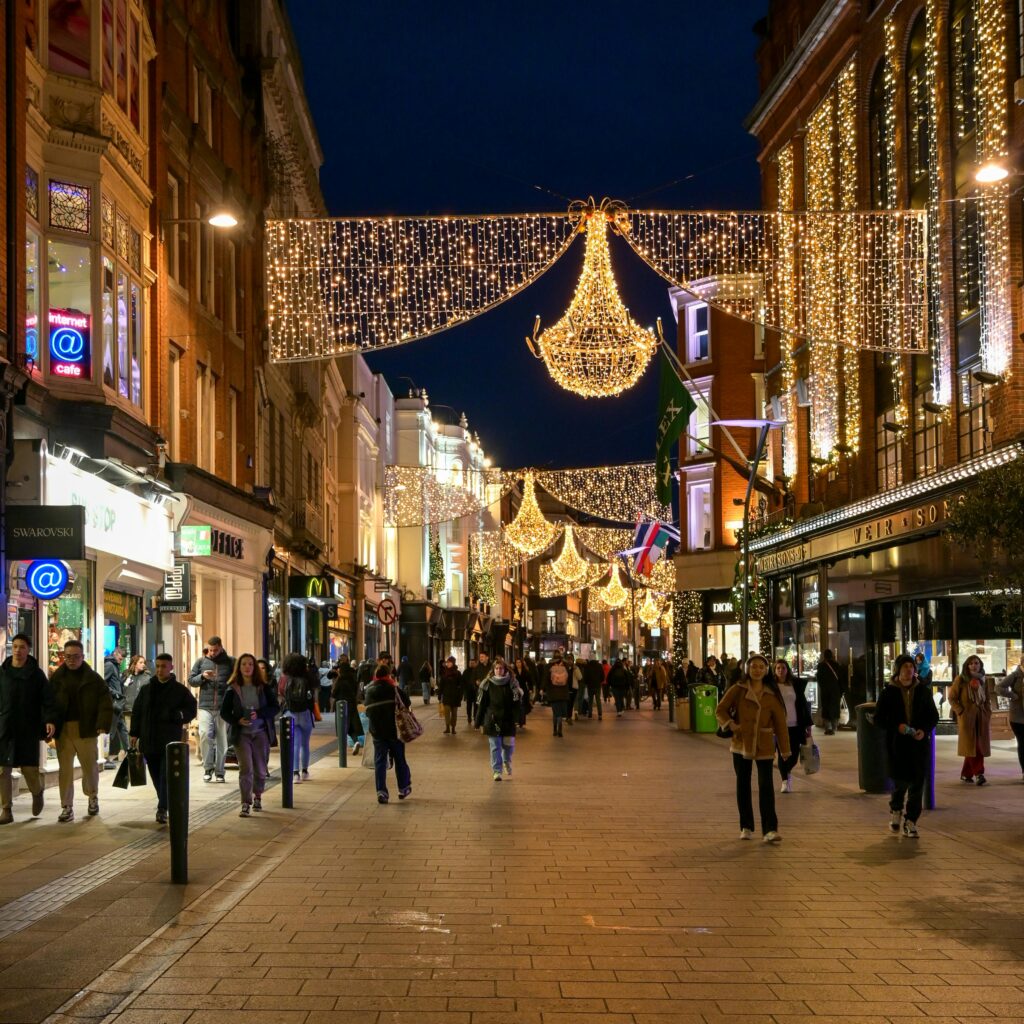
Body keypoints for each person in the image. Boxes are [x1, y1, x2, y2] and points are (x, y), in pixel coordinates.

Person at [716, 653, 790, 843]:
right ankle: (746, 826)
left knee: (766, 786)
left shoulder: (772, 694)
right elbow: (721, 709)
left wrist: (785, 749)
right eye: (754, 666)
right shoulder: (738, 689)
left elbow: (781, 724)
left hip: (764, 744)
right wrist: (731, 725)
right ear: (747, 669)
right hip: (742, 744)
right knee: (743, 785)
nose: (757, 670)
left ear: (766, 670)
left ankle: (770, 829)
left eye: (761, 667)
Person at [874, 654, 938, 838]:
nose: (909, 670)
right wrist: (897, 727)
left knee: (917, 784)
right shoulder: (888, 692)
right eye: (905, 667)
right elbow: (879, 719)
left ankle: (911, 821)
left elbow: (933, 716)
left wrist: (924, 731)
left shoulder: (923, 692)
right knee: (900, 783)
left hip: (918, 746)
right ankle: (896, 810)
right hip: (897, 745)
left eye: (911, 667)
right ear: (898, 670)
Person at [129, 653, 197, 825]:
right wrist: (134, 733)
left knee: (166, 775)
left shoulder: (179, 690)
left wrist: (178, 715)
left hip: (169, 741)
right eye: (158, 666)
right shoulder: (147, 689)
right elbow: (137, 712)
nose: (160, 670)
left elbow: (191, 710)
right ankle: (164, 803)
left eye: (164, 666)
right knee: (155, 775)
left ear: (171, 668)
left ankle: (162, 807)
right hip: (149, 740)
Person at [50, 640, 113, 822]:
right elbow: (48, 703)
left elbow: (105, 701)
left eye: (75, 656)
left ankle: (92, 797)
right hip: (63, 729)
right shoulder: (57, 678)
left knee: (90, 767)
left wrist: (102, 723)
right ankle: (66, 806)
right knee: (65, 770)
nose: (71, 660)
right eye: (68, 656)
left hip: (86, 727)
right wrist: (48, 724)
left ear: (83, 657)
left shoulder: (92, 678)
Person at [0, 633, 58, 823]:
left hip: (28, 728)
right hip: (5, 728)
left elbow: (47, 699)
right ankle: (6, 810)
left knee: (29, 769)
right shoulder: (3, 672)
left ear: (28, 650)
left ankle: (37, 791)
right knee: (3, 770)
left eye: (22, 647)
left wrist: (49, 719)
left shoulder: (36, 674)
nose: (18, 650)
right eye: (15, 646)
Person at [220, 654, 279, 816]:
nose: (247, 667)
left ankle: (258, 795)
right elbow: (224, 712)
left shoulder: (263, 687)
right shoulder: (232, 688)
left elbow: (275, 707)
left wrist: (259, 714)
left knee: (260, 770)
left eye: (250, 664)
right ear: (239, 668)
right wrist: (237, 720)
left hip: (260, 733)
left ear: (254, 668)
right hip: (242, 735)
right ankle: (245, 802)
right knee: (246, 769)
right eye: (244, 664)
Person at [363, 665, 412, 803]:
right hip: (394, 731)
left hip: (377, 732)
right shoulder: (394, 689)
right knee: (399, 759)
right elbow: (407, 703)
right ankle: (403, 788)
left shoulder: (370, 690)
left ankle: (381, 792)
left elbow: (367, 711)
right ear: (388, 675)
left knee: (380, 761)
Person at [188, 636, 234, 783]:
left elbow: (236, 680)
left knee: (222, 740)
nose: (212, 653)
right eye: (210, 650)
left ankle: (220, 771)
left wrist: (229, 690)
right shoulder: (201, 662)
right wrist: (202, 676)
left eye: (215, 650)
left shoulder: (230, 662)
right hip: (205, 706)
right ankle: (208, 768)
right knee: (205, 735)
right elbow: (191, 680)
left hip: (223, 706)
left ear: (221, 647)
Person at [475, 656, 522, 780]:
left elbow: (517, 703)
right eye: (496, 668)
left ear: (505, 670)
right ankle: (497, 771)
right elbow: (482, 704)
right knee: (495, 746)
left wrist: (518, 719)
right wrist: (478, 721)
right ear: (493, 670)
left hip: (508, 720)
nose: (498, 670)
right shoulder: (487, 684)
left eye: (501, 668)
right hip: (492, 719)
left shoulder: (512, 684)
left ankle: (506, 761)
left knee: (508, 746)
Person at [948, 655, 992, 786]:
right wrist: (961, 711)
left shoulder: (984, 680)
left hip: (981, 717)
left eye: (977, 663)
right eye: (971, 663)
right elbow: (952, 698)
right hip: (967, 718)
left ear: (980, 665)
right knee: (975, 746)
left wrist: (987, 712)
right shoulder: (961, 679)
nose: (974, 665)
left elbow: (988, 698)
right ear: (967, 666)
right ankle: (979, 773)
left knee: (976, 746)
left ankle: (966, 774)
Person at [772, 659, 813, 794]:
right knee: (783, 754)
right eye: (778, 668)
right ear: (774, 670)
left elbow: (802, 704)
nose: (780, 670)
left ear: (787, 670)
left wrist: (808, 724)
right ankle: (785, 781)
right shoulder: (772, 686)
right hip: (779, 726)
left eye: (783, 668)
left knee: (794, 755)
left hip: (795, 724)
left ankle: (787, 772)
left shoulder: (794, 685)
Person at [278, 652, 317, 783]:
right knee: (305, 744)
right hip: (306, 713)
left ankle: (295, 774)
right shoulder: (308, 678)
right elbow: (313, 693)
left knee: (294, 744)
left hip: (290, 713)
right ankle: (305, 771)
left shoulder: (284, 678)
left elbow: (281, 693)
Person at [996, 654, 1024, 781]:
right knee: (1023, 745)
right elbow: (999, 687)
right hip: (1018, 717)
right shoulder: (1016, 675)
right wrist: (1013, 695)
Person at [330, 655, 364, 755]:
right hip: (352, 705)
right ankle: (356, 742)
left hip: (341, 706)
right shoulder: (353, 679)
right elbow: (356, 691)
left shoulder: (340, 680)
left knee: (342, 727)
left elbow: (334, 693)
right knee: (351, 727)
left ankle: (342, 750)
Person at [103, 647, 130, 768]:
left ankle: (130, 752)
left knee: (122, 728)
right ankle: (105, 758)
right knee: (111, 731)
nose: (121, 661)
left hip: (117, 703)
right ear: (115, 653)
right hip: (113, 703)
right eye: (120, 658)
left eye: (122, 659)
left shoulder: (114, 665)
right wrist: (115, 693)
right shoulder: (109, 665)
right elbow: (103, 683)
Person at [815, 649, 845, 735]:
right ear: (832, 655)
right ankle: (834, 727)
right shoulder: (836, 665)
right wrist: (842, 690)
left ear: (824, 656)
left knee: (826, 707)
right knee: (835, 708)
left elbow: (819, 678)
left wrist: (822, 687)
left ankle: (828, 728)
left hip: (825, 690)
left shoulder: (821, 665)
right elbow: (840, 679)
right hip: (835, 690)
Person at [121, 654, 149, 732]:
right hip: (128, 710)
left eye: (144, 663)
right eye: (140, 662)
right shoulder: (126, 675)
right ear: (135, 663)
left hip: (141, 712)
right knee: (129, 734)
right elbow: (121, 690)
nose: (143, 664)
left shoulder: (147, 678)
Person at [545, 654, 571, 736]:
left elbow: (546, 679)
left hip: (553, 693)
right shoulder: (565, 666)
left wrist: (544, 690)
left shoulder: (550, 667)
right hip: (563, 693)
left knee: (555, 712)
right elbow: (569, 678)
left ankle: (554, 730)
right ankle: (560, 728)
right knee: (560, 713)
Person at [438, 656, 463, 734]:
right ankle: (447, 727)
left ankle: (453, 728)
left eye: (449, 662)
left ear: (453, 663)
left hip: (455, 696)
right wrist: (439, 694)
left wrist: (460, 695)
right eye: (447, 662)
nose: (447, 664)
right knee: (447, 712)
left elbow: (461, 685)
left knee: (454, 714)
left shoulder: (458, 673)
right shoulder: (444, 673)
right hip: (446, 695)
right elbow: (441, 685)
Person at [462, 657, 479, 727]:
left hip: (476, 691)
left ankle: (475, 717)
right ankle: (469, 717)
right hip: (468, 691)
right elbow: (463, 681)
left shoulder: (478, 671)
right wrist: (464, 690)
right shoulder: (466, 671)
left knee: (476, 705)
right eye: (470, 663)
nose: (471, 664)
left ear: (475, 663)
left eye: (473, 663)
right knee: (468, 706)